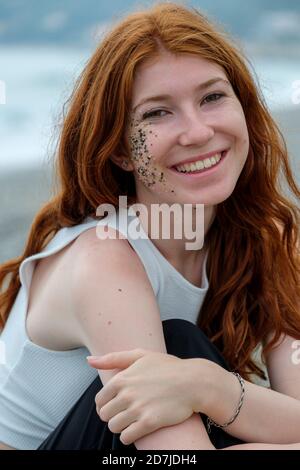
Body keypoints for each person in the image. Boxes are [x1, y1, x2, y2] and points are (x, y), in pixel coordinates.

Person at [0, 1, 300, 451]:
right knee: (177, 342)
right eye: (157, 113)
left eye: (212, 97)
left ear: (245, 109)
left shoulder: (263, 236)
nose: (197, 132)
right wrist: (208, 385)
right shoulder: (104, 260)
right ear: (120, 151)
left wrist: (210, 387)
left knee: (182, 358)